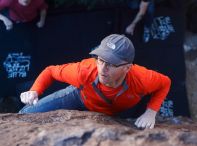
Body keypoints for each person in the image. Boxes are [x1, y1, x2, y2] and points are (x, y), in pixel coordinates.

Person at [19, 34, 171, 129]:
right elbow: (51, 71)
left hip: (110, 114)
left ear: (127, 67)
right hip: (79, 97)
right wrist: (35, 90)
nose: (102, 68)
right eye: (100, 60)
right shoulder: (84, 71)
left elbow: (165, 82)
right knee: (25, 116)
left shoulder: (142, 78)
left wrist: (151, 112)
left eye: (111, 63)